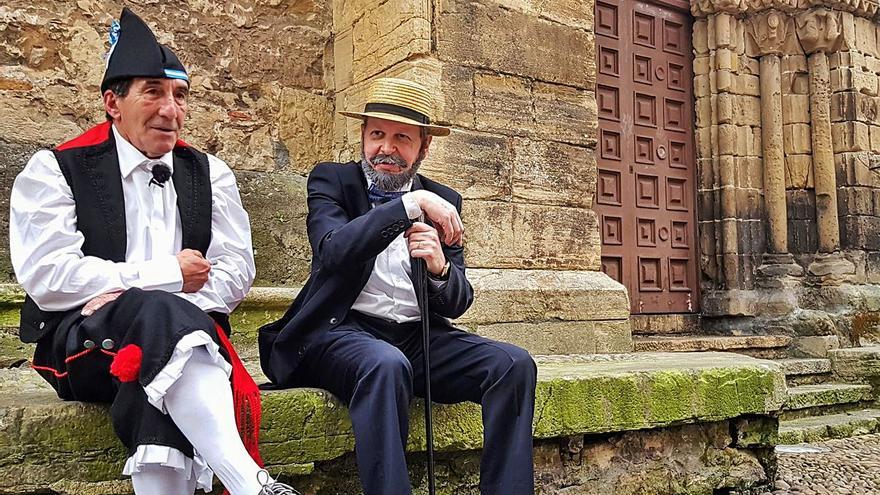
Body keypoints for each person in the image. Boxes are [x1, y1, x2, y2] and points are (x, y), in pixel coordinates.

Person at [9, 8, 297, 495]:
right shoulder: (53, 169)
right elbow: (46, 276)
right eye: (154, 92)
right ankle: (249, 482)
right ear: (112, 102)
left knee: (158, 372)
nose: (171, 109)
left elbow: (236, 271)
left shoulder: (213, 174)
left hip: (180, 342)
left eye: (180, 96)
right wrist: (164, 277)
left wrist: (140, 300)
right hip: (85, 346)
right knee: (161, 314)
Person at [258, 77, 537, 494]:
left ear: (424, 147)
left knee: (513, 365)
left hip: (416, 337)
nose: (386, 148)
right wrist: (409, 207)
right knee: (385, 364)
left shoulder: (445, 199)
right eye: (377, 134)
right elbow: (332, 251)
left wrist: (441, 268)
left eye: (401, 138)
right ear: (363, 136)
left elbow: (458, 302)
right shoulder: (332, 182)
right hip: (340, 332)